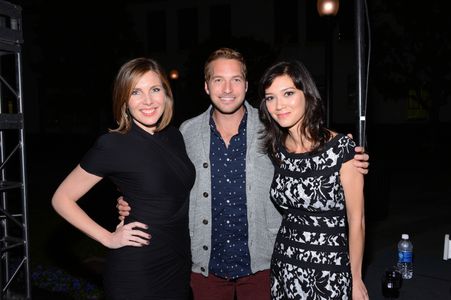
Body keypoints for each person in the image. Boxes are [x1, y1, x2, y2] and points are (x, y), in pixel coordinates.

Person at [117, 48, 369, 300]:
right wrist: (133, 201)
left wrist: (347, 154)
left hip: (265, 267)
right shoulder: (187, 132)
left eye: (235, 79)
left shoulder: (272, 127)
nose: (227, 89)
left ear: (246, 85)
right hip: (206, 269)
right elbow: (165, 181)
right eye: (218, 80)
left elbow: (309, 145)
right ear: (206, 86)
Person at [51, 57, 195, 300]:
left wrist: (126, 198)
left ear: (166, 95)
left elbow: (161, 185)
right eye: (136, 92)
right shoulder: (113, 144)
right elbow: (61, 199)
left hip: (178, 263)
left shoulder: (174, 137)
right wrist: (108, 238)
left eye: (155, 89)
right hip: (138, 270)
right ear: (124, 101)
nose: (148, 100)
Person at [258, 60, 369, 300]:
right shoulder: (277, 150)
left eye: (288, 93)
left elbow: (356, 219)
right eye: (270, 98)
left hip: (328, 271)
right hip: (285, 265)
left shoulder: (341, 149)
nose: (278, 105)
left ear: (307, 94)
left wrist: (356, 277)